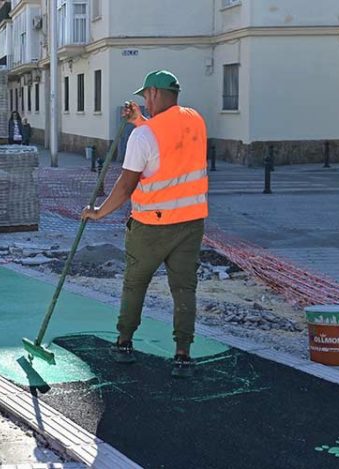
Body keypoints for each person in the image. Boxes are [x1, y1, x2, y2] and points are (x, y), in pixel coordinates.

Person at [81, 70, 208, 378]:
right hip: (190, 223)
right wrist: (140, 120)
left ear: (153, 93)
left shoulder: (142, 136)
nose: (144, 102)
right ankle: (183, 355)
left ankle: (124, 343)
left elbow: (125, 186)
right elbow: (166, 141)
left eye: (145, 96)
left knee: (135, 284)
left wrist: (98, 212)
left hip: (151, 225)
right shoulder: (195, 121)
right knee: (184, 288)